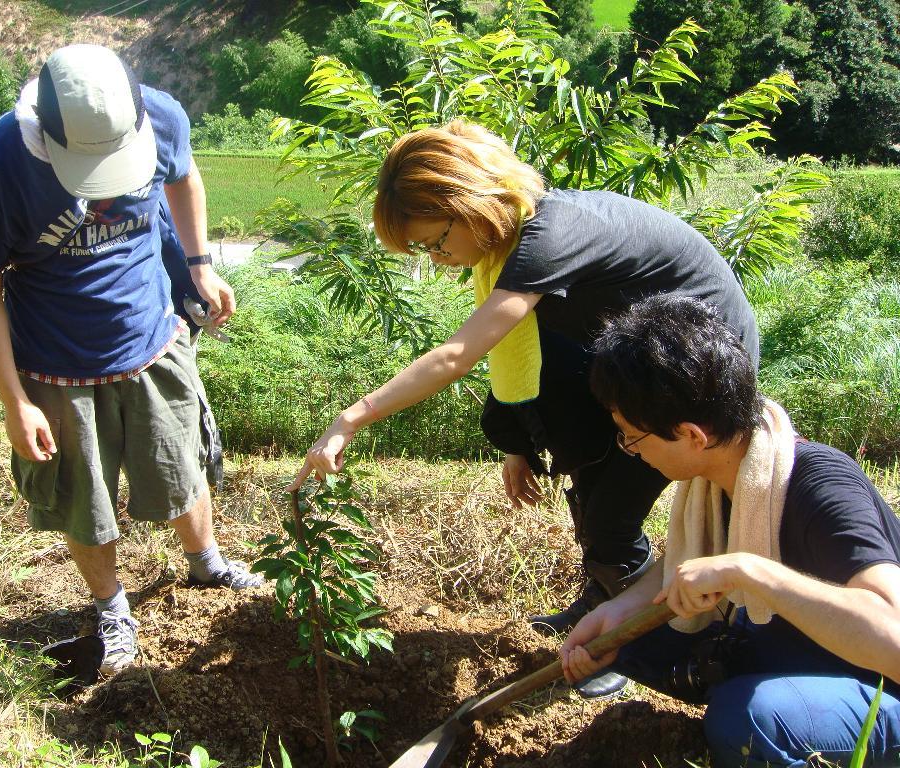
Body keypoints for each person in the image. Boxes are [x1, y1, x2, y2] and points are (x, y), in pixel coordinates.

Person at [290, 120, 759, 696]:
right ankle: (600, 599)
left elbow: (458, 355)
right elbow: (524, 359)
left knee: (610, 520)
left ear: (467, 202)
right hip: (631, 361)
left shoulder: (550, 235)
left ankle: (631, 642)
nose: (439, 259)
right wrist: (519, 440)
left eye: (437, 240)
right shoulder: (520, 238)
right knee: (587, 480)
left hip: (692, 379)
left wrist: (351, 418)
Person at [0, 44, 263, 676]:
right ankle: (112, 608)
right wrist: (15, 401)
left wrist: (200, 265)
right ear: (46, 130)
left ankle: (206, 563)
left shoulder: (159, 115)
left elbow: (183, 176)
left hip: (154, 333)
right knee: (84, 499)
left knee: (181, 464)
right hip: (55, 361)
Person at [560, 295, 900, 767]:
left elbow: (894, 639)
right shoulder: (720, 479)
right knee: (634, 643)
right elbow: (684, 568)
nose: (632, 452)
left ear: (692, 435)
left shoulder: (821, 487)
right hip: (802, 649)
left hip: (883, 684)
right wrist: (617, 613)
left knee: (747, 720)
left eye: (632, 437)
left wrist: (750, 573)